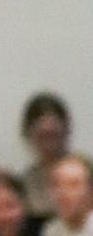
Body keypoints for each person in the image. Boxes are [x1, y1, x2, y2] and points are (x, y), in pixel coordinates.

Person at [19, 91, 74, 219]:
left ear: (66, 131)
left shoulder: (86, 174)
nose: (49, 143)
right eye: (43, 136)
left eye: (53, 135)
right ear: (29, 134)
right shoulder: (26, 183)